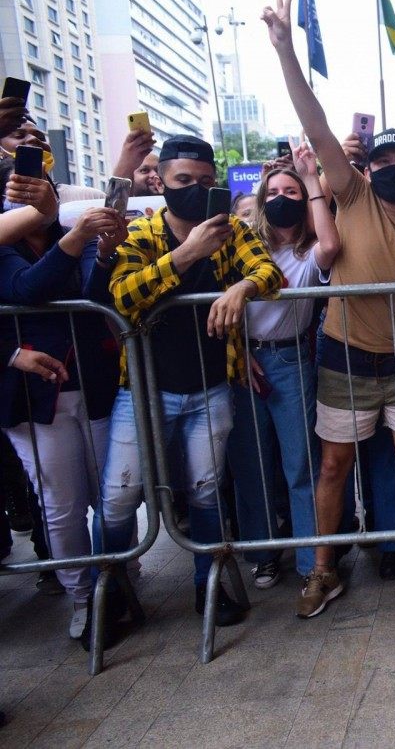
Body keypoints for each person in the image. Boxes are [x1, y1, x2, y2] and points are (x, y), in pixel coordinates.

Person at [263, 0, 395, 616]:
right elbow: (314, 124)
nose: (394, 169)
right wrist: (286, 49)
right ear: (367, 166)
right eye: (384, 160)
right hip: (343, 358)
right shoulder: (350, 193)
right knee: (333, 466)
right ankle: (322, 571)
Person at [102, 134, 282, 627]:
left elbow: (269, 271)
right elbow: (121, 296)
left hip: (209, 387)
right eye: (185, 181)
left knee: (205, 494)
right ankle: (111, 592)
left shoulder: (231, 231)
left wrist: (242, 287)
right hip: (141, 390)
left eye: (206, 181)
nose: (196, 189)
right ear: (161, 181)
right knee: (119, 496)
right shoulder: (142, 234)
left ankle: (208, 589)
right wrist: (186, 255)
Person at [0, 165, 121, 639]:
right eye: (17, 188)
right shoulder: (7, 244)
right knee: (62, 505)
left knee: (111, 498)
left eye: (37, 186)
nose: (28, 192)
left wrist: (105, 250)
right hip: (33, 400)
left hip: (93, 383)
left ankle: (123, 580)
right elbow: (25, 290)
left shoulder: (76, 228)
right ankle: (82, 597)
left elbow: (94, 293)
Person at [226, 145, 340, 591]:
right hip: (242, 361)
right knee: (252, 465)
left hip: (291, 360)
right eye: (272, 191)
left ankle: (313, 561)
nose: (280, 198)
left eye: (289, 191)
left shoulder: (308, 251)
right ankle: (265, 555)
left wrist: (312, 179)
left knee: (299, 465)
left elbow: (331, 245)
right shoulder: (240, 245)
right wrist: (238, 350)